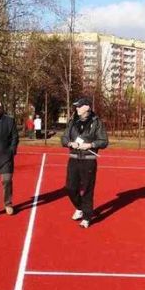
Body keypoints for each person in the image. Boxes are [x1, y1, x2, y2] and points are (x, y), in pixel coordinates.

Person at [61, 97, 108, 228]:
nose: (77, 108)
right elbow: (64, 138)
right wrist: (70, 143)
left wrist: (91, 145)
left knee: (87, 189)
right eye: (76, 106)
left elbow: (104, 141)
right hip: (73, 158)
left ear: (87, 107)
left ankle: (87, 217)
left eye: (79, 106)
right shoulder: (72, 121)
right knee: (70, 188)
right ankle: (80, 207)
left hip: (88, 160)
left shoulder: (97, 122)